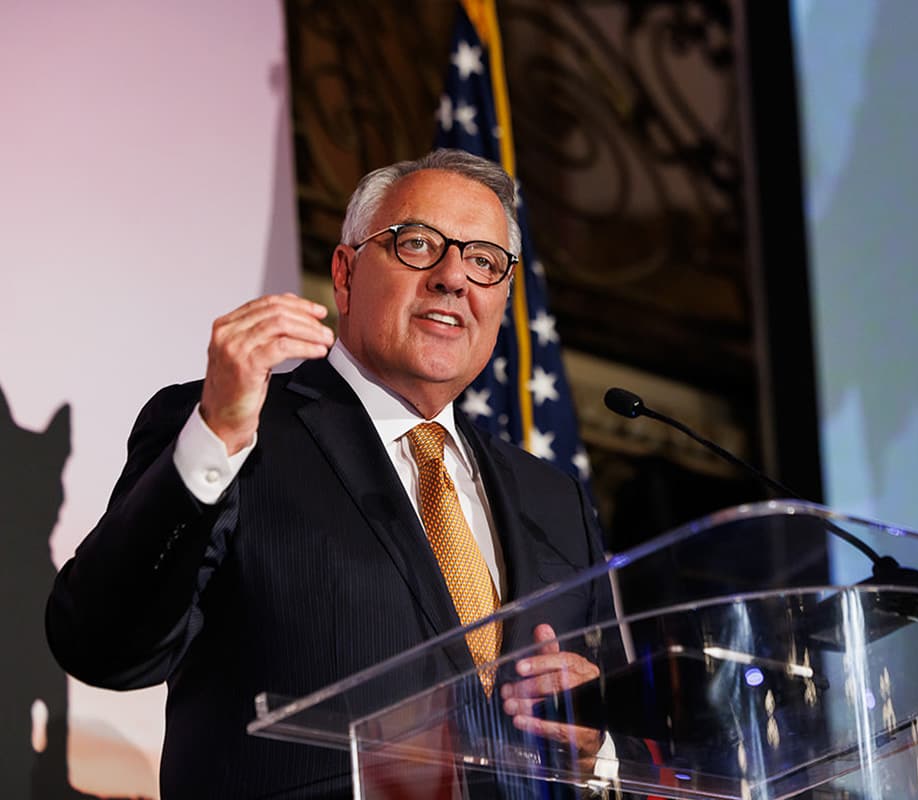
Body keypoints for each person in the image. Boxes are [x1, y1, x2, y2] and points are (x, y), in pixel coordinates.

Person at [46, 149, 617, 798]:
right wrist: (216, 438)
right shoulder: (236, 430)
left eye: (484, 261)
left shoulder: (554, 500)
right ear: (344, 274)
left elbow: (605, 718)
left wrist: (591, 742)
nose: (454, 277)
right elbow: (102, 645)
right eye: (418, 244)